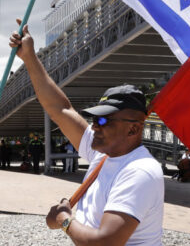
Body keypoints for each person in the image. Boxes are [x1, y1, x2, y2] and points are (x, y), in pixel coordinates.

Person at [11, 21, 164, 245]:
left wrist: (64, 220)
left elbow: (105, 242)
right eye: (94, 119)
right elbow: (60, 109)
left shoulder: (139, 171)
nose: (95, 126)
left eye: (104, 120)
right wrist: (29, 57)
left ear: (133, 128)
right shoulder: (105, 154)